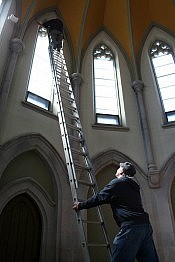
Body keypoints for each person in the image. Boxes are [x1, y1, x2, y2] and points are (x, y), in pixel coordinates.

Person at [73, 162, 159, 262]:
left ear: (122, 172)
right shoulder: (135, 186)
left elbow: (100, 197)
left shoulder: (117, 183)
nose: (117, 170)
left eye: (119, 168)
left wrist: (80, 205)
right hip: (145, 227)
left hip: (131, 229)